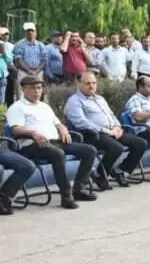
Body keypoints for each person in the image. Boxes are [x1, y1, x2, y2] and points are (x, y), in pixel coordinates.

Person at [7, 75, 98, 209]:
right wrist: (32, 133)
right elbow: (16, 130)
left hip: (54, 142)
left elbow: (57, 122)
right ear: (23, 89)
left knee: (90, 151)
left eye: (39, 88)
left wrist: (62, 128)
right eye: (32, 88)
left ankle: (79, 189)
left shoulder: (44, 106)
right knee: (58, 154)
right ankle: (66, 196)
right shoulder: (17, 107)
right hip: (32, 144)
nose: (37, 91)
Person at [64, 71, 148, 189]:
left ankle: (120, 171)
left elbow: (111, 115)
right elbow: (81, 122)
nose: (91, 86)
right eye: (88, 83)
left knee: (141, 143)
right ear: (78, 83)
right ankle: (100, 175)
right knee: (116, 147)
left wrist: (117, 126)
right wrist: (106, 131)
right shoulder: (74, 101)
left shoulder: (100, 99)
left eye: (94, 83)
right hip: (92, 134)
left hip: (111, 131)